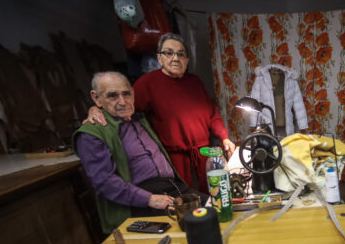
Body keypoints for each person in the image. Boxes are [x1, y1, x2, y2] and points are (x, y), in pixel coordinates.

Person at [86, 33, 236, 194]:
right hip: (173, 156)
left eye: (181, 54)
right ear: (160, 58)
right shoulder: (147, 82)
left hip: (204, 152)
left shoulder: (195, 81)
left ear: (187, 60)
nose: (175, 58)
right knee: (184, 197)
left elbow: (212, 114)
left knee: (215, 194)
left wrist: (224, 137)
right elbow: (123, 105)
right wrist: (96, 108)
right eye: (169, 53)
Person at [73, 71, 208, 234]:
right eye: (112, 96)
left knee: (220, 207)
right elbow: (104, 182)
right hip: (139, 201)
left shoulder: (138, 117)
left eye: (126, 94)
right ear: (96, 98)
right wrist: (150, 199)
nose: (122, 101)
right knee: (194, 229)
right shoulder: (91, 134)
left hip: (172, 188)